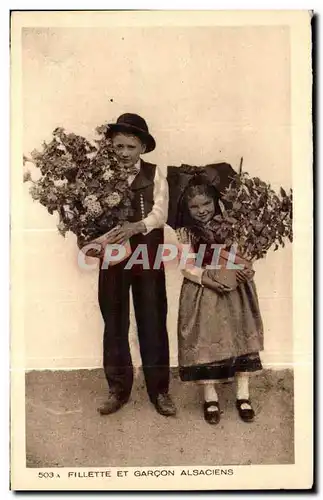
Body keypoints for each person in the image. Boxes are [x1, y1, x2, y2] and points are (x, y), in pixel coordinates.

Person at [85, 113, 176, 417]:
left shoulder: (155, 174)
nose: (123, 153)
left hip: (147, 254)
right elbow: (86, 216)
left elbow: (160, 213)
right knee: (114, 321)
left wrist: (135, 227)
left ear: (142, 148)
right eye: (118, 146)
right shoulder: (99, 175)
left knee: (152, 318)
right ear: (111, 145)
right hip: (113, 256)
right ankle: (117, 389)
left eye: (130, 147)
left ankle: (159, 390)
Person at [175, 175, 264, 425]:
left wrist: (246, 267)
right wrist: (209, 279)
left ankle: (243, 394)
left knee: (240, 333)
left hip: (235, 286)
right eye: (194, 207)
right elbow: (186, 267)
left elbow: (243, 253)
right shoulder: (185, 233)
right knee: (206, 339)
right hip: (204, 289)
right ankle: (210, 395)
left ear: (216, 201)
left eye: (206, 204)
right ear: (186, 209)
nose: (201, 211)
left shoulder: (232, 224)